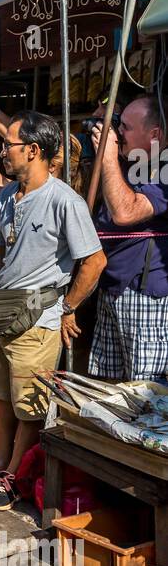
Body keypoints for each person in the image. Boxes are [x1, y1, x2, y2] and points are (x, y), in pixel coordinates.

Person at [0, 112, 105, 512]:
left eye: (10, 145)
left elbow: (94, 261)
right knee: (1, 397)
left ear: (34, 151)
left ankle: (15, 477)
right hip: (2, 315)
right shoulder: (10, 196)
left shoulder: (63, 201)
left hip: (37, 321)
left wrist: (68, 306)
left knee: (30, 407)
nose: (3, 150)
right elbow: (0, 253)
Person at [89, 94, 168, 381]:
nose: (118, 134)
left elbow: (125, 212)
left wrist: (108, 155)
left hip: (144, 294)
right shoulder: (129, 162)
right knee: (109, 388)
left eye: (126, 127)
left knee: (143, 390)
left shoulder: (163, 171)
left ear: (155, 134)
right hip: (111, 289)